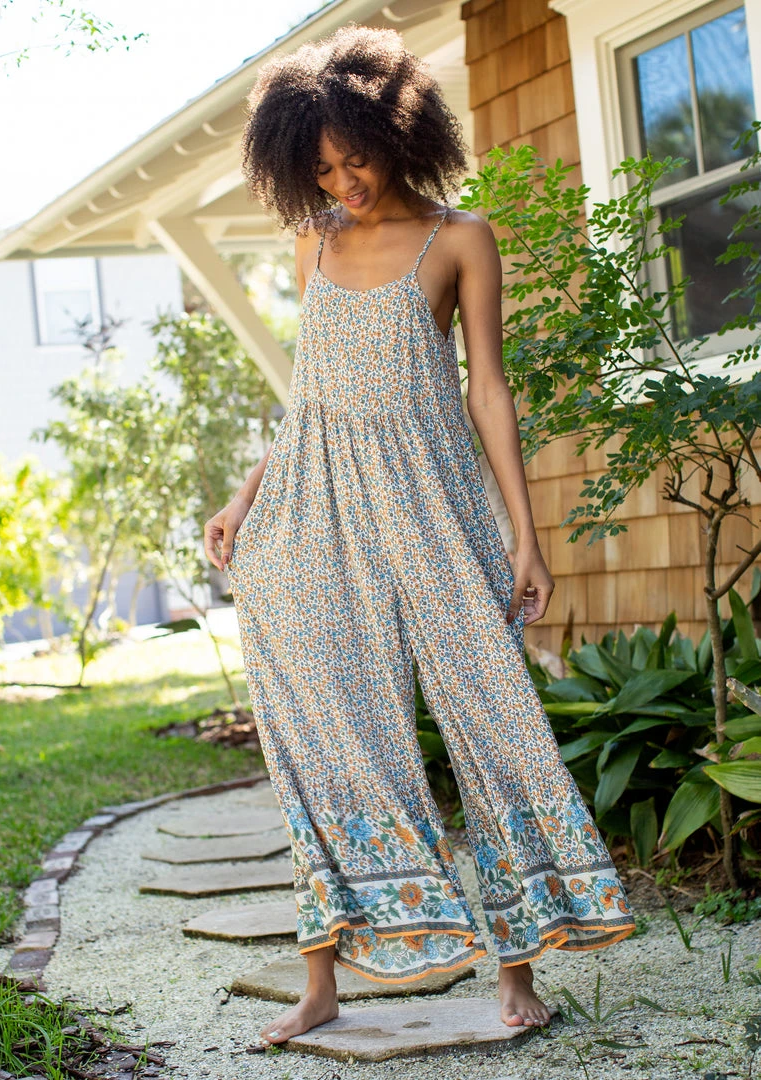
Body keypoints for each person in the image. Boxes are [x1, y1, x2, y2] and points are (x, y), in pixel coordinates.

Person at [204, 23, 635, 1049]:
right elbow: (311, 398)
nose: (343, 182)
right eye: (321, 168)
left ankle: (518, 970)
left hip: (435, 503)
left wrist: (526, 536)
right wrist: (245, 496)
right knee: (323, 732)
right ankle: (324, 980)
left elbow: (488, 391)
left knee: (491, 714)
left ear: (399, 134)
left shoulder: (460, 239)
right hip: (314, 510)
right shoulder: (314, 242)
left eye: (355, 158)